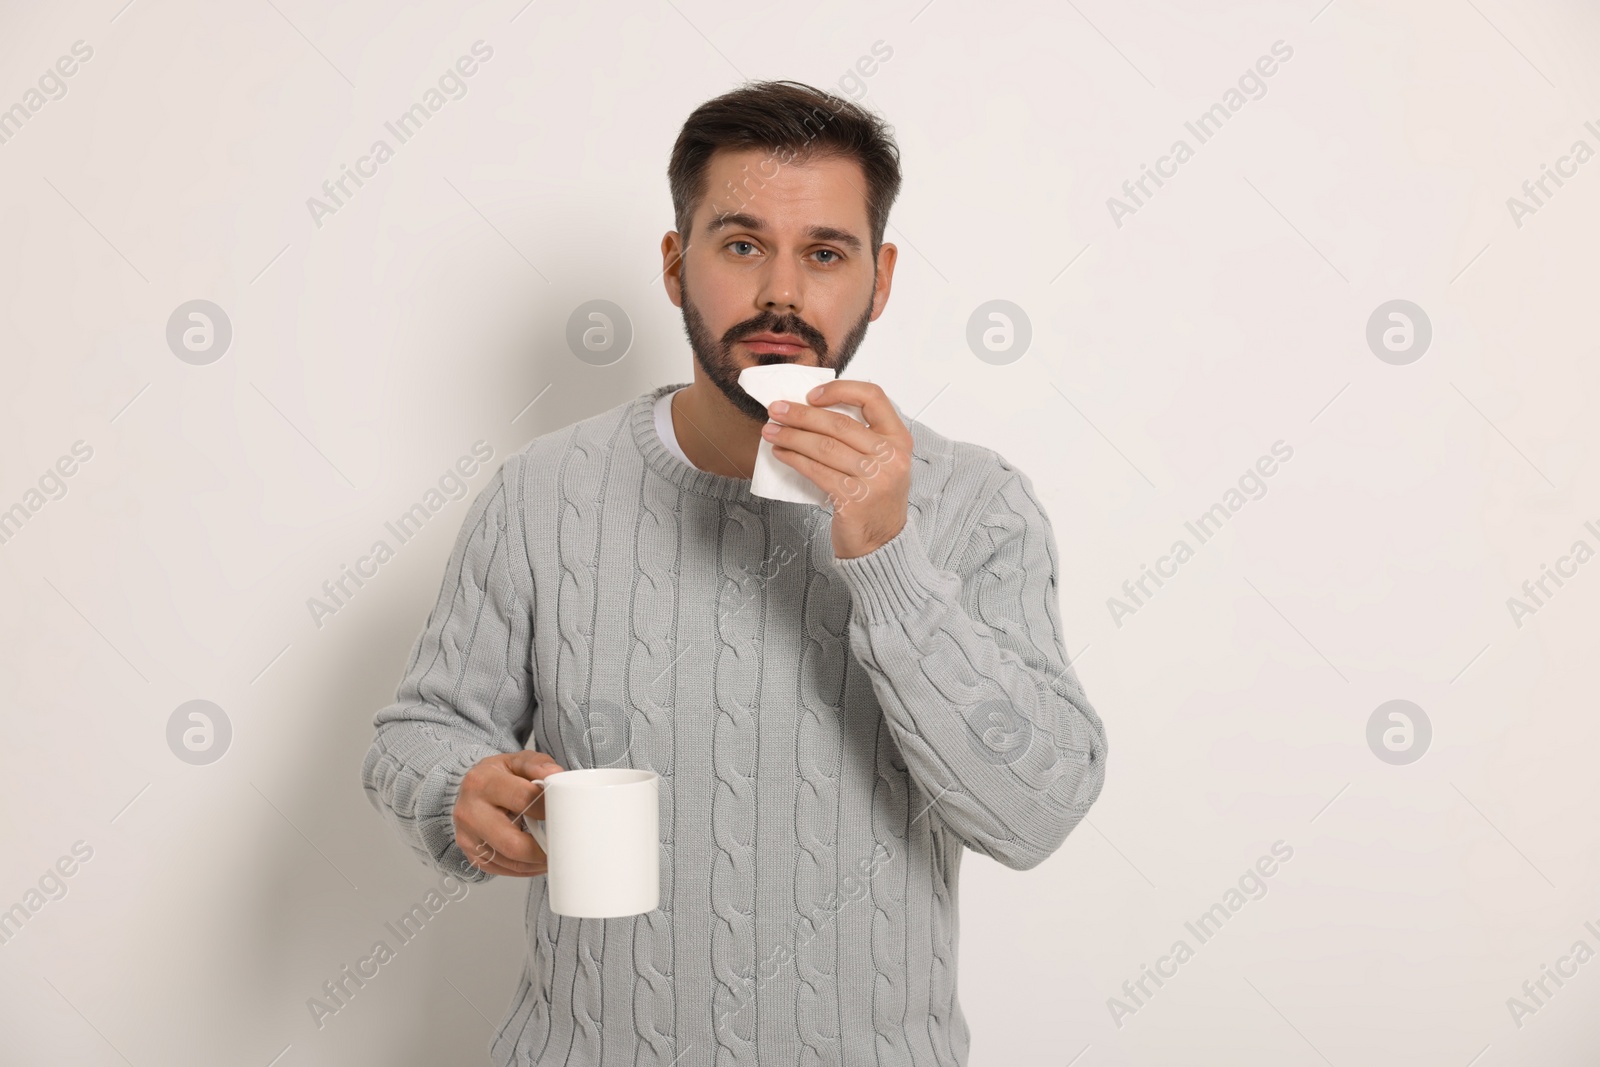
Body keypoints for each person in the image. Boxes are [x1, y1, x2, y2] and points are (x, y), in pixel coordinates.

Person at [361, 78, 1107, 1066]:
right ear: (676, 265)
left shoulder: (974, 503)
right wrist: (455, 787)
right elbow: (418, 733)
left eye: (825, 253)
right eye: (742, 244)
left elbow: (1036, 811)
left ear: (879, 279)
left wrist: (885, 556)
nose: (781, 294)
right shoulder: (542, 492)